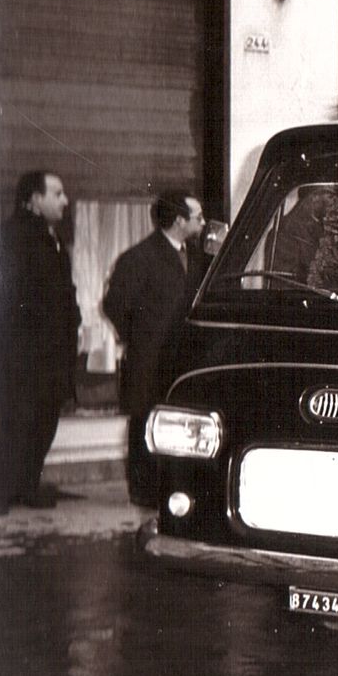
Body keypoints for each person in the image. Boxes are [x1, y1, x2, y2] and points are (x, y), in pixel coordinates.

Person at [0, 171, 81, 517]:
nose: (64, 201)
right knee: (17, 424)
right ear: (34, 199)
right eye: (57, 193)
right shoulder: (11, 237)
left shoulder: (50, 238)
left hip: (49, 357)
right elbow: (6, 301)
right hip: (23, 357)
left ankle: (25, 487)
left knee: (42, 424)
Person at [102, 191, 206, 508]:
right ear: (179, 221)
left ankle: (170, 486)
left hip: (182, 358)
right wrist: (140, 337)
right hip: (148, 358)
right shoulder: (139, 257)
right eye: (197, 217)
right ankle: (142, 489)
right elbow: (114, 304)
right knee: (144, 420)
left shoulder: (196, 258)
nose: (202, 223)